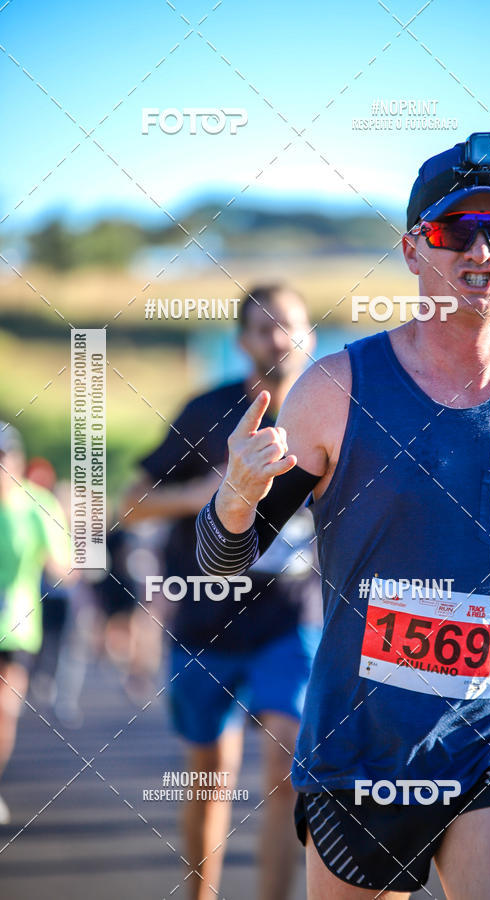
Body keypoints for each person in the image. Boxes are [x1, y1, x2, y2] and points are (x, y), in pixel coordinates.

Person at [196, 134, 490, 899]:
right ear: (414, 250)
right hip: (366, 748)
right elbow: (223, 559)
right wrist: (235, 495)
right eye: (455, 230)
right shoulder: (337, 389)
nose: (481, 250)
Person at [122, 285, 322, 900]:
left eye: (289, 327)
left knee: (287, 765)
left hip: (291, 621)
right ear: (241, 343)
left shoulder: (332, 414)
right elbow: (130, 504)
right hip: (205, 622)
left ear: (309, 337)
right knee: (210, 779)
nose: (278, 340)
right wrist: (212, 492)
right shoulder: (206, 411)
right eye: (264, 329)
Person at [0, 424, 70, 824]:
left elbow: (63, 565)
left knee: (5, 709)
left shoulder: (38, 504)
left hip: (17, 626)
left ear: (18, 462)